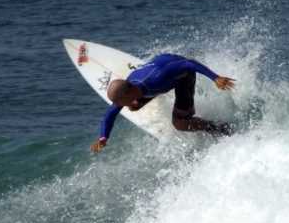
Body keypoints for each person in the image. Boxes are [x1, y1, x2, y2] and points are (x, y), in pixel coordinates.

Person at [90, 53, 236, 152]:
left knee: (179, 124)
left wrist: (215, 77)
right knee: (133, 107)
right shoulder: (131, 87)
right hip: (161, 68)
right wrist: (104, 137)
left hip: (183, 76)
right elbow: (110, 114)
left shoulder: (157, 78)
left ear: (127, 94)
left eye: (117, 101)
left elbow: (189, 63)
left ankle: (216, 127)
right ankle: (156, 94)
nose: (116, 104)